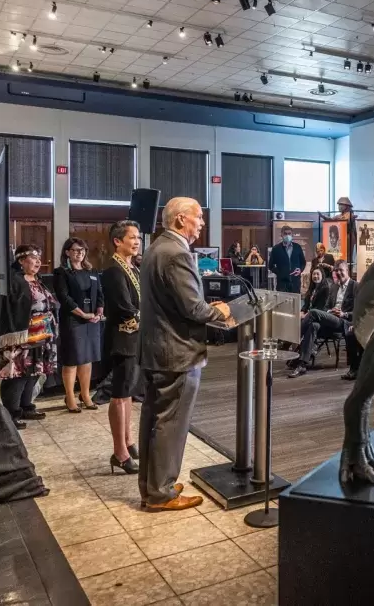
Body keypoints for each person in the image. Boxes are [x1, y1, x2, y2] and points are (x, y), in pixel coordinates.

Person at [139, 197, 231, 512]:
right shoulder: (177, 253)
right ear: (181, 219)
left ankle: (152, 486)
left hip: (156, 349)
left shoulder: (154, 248)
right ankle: (162, 493)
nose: (202, 223)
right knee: (171, 422)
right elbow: (192, 307)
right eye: (199, 217)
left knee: (154, 418)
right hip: (176, 352)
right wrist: (222, 311)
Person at [0, 245, 58, 430]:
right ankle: (12, 412)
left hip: (41, 335)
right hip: (20, 338)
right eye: (33, 257)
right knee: (17, 375)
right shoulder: (14, 281)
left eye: (39, 257)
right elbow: (7, 309)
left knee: (34, 372)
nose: (38, 261)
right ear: (20, 261)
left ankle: (27, 406)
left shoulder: (38, 279)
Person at [101, 220, 143, 475]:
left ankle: (128, 440)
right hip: (122, 338)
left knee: (127, 393)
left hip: (134, 338)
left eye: (138, 237)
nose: (137, 242)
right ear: (118, 241)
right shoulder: (113, 272)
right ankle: (119, 452)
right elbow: (125, 309)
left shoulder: (133, 268)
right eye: (132, 237)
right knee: (119, 395)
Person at [54, 237, 104, 413]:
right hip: (73, 319)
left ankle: (85, 395)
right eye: (75, 250)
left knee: (87, 359)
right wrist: (82, 314)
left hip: (92, 320)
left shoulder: (92, 271)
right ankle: (70, 397)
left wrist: (99, 311)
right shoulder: (61, 273)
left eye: (82, 250)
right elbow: (64, 297)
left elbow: (99, 293)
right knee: (72, 359)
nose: (79, 253)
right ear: (67, 252)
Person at [289, 261, 357, 378]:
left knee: (313, 312)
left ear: (347, 271)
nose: (339, 273)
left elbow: (359, 310)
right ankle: (302, 364)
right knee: (313, 325)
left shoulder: (355, 286)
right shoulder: (334, 287)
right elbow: (326, 307)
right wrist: (330, 311)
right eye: (337, 270)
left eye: (342, 270)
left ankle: (291, 339)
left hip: (343, 321)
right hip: (331, 318)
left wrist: (343, 313)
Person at [268, 225, 305, 294]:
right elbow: (271, 265)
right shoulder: (276, 249)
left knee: (295, 303)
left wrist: (300, 270)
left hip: (295, 283)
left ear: (292, 235)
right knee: (282, 303)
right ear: (281, 235)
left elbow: (303, 262)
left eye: (289, 233)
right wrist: (280, 273)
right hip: (282, 283)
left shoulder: (297, 247)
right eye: (285, 233)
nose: (287, 235)